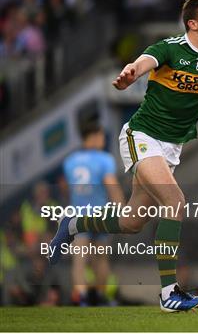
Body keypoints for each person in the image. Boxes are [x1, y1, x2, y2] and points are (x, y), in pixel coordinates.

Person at [49, 0, 198, 312]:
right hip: (142, 136)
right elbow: (142, 62)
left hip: (170, 148)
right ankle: (167, 294)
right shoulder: (170, 48)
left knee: (132, 222)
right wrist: (131, 72)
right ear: (193, 23)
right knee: (174, 200)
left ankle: (75, 224)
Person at [63, 121, 125, 306]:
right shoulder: (104, 159)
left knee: (79, 259)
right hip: (100, 214)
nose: (103, 140)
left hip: (78, 215)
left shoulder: (70, 161)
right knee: (101, 258)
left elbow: (68, 189)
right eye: (102, 136)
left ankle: (81, 298)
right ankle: (100, 296)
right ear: (95, 136)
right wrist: (122, 211)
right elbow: (111, 186)